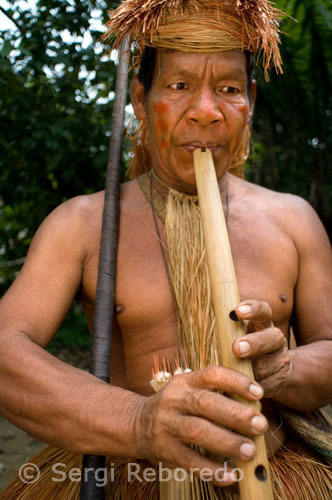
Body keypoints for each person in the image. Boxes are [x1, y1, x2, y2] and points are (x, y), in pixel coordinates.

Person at [0, 0, 331, 499]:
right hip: (130, 476)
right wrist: (138, 420)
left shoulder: (293, 219)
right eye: (178, 87)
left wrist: (286, 369)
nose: (205, 111)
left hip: (273, 465)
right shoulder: (83, 223)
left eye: (229, 89)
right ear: (139, 97)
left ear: (251, 101)